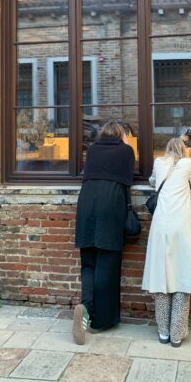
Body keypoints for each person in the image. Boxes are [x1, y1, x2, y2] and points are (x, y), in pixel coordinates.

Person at [73, 120, 135, 344]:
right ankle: (100, 321)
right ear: (121, 134)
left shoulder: (92, 150)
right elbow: (129, 175)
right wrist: (127, 143)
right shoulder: (125, 151)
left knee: (88, 263)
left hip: (86, 205)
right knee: (107, 264)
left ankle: (86, 307)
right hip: (110, 206)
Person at [142, 137, 191, 347]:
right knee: (183, 276)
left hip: (161, 224)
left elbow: (152, 181)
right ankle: (177, 334)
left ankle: (163, 331)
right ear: (183, 150)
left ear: (167, 149)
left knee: (161, 277)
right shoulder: (187, 163)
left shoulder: (159, 162)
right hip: (182, 226)